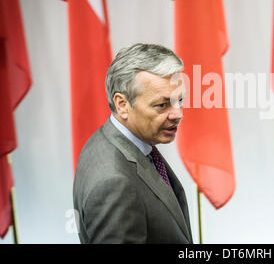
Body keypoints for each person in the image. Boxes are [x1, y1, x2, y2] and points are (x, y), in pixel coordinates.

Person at [73, 43, 192, 244]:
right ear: (122, 105)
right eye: (162, 105)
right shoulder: (113, 183)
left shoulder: (111, 140)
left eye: (179, 100)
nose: (178, 114)